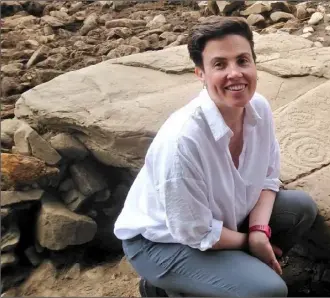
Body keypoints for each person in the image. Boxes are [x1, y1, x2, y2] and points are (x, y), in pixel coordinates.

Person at [113, 16, 318, 297]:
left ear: (254, 64)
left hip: (219, 223)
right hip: (163, 242)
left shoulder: (258, 108)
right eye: (220, 64)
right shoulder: (183, 142)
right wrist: (249, 242)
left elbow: (268, 180)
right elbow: (194, 232)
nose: (235, 73)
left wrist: (259, 230)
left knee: (301, 208)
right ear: (201, 74)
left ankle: (219, 279)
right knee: (268, 291)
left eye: (243, 60)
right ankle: (167, 287)